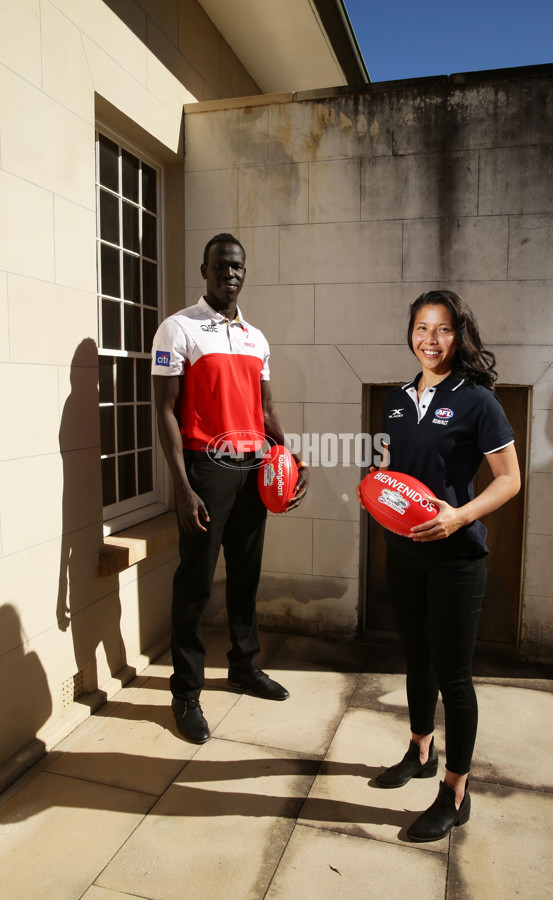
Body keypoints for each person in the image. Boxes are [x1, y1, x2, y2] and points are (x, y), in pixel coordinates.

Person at [356, 290, 520, 842]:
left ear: (459, 335)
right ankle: (420, 751)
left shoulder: (478, 401)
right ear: (411, 333)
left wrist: (459, 516)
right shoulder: (396, 399)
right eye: (422, 328)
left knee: (454, 676)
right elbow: (393, 470)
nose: (430, 338)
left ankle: (455, 791)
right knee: (417, 658)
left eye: (443, 329)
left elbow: (509, 479)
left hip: (455, 558)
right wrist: (375, 490)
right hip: (403, 553)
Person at [152, 233, 308, 744]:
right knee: (195, 583)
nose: (230, 274)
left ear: (245, 272)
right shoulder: (177, 330)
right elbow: (165, 412)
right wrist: (182, 486)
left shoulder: (256, 338)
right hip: (205, 470)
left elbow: (265, 412)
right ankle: (186, 690)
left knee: (246, 576)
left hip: (252, 469)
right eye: (221, 266)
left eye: (238, 266)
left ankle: (244, 665)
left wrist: (290, 458)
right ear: (204, 270)